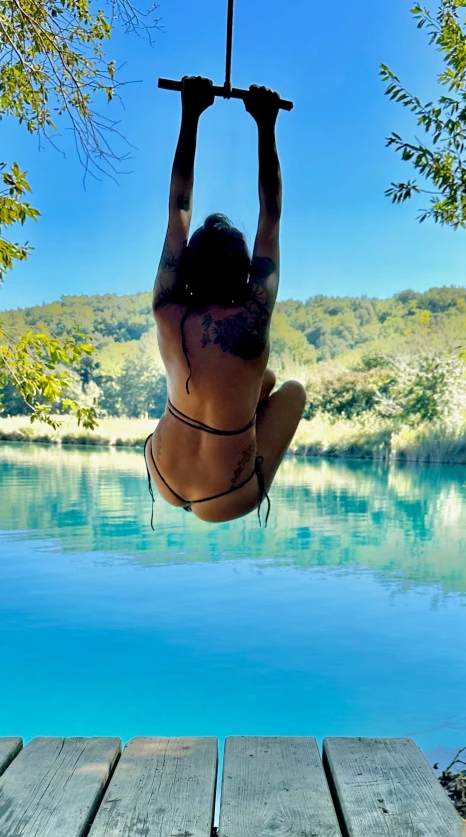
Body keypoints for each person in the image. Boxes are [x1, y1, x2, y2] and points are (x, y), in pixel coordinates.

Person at [145, 76, 306, 527]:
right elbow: (270, 215)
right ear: (245, 273)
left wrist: (191, 113)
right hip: (229, 495)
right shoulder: (254, 317)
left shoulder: (167, 309)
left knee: (266, 378)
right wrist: (265, 123)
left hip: (163, 472)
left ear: (190, 269)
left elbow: (178, 211)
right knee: (291, 390)